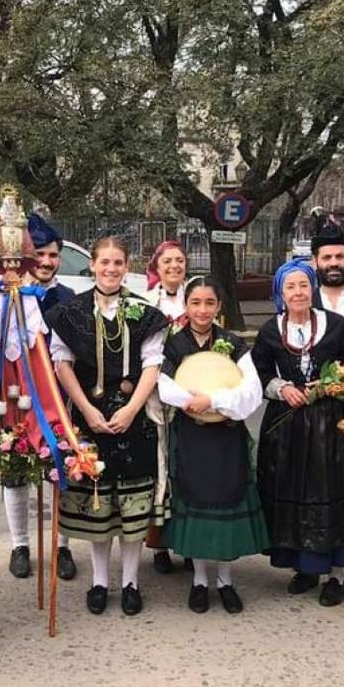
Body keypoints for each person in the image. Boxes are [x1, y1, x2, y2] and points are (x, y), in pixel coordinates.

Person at [47, 236, 169, 616]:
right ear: (93, 266)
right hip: (89, 418)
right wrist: (85, 408)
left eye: (118, 262)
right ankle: (100, 581)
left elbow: (153, 364)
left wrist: (132, 409)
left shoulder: (144, 310)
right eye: (105, 262)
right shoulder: (71, 312)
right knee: (98, 505)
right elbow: (62, 364)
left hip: (134, 421)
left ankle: (131, 581)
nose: (111, 269)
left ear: (126, 265)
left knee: (131, 506)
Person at [252, 260, 344, 605]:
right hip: (287, 427)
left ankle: (336, 575)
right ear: (280, 293)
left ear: (312, 288)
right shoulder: (271, 330)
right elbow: (258, 372)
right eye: (290, 287)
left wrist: (332, 384)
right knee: (292, 490)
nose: (298, 292)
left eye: (303, 285)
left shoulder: (337, 326)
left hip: (329, 424)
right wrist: (282, 388)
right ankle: (304, 567)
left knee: (328, 491)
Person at [157, 276, 267, 613]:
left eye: (209, 303)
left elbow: (251, 391)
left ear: (218, 307)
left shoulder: (233, 344)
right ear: (186, 307)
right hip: (191, 437)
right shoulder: (173, 345)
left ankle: (226, 581)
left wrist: (214, 400)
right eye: (195, 303)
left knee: (226, 500)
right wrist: (192, 401)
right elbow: (162, 385)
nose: (202, 310)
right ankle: (200, 581)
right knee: (196, 502)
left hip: (226, 437)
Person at [2, 212, 77, 582]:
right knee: (14, 472)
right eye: (41, 255)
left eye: (53, 255)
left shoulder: (69, 299)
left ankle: (62, 546)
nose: (47, 262)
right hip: (17, 399)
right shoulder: (5, 294)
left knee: (60, 471)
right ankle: (19, 545)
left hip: (59, 401)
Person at [144, 240, 189, 575]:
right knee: (160, 466)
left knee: (189, 467)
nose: (174, 266)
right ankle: (159, 543)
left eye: (180, 260)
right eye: (167, 261)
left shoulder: (199, 297)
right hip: (157, 396)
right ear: (156, 268)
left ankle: (189, 541)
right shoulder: (146, 303)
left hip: (192, 392)